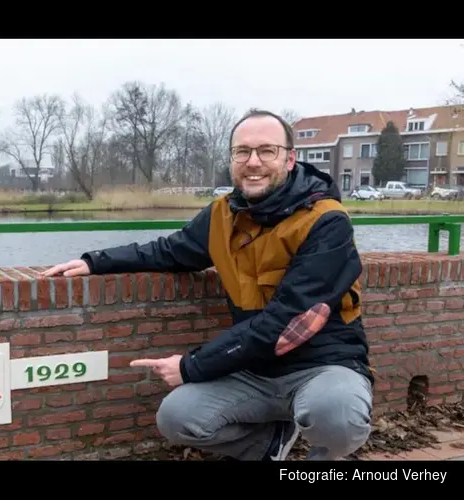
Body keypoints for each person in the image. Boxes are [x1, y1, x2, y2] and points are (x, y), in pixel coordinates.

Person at [42, 109, 373, 461]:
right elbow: (169, 251)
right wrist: (95, 261)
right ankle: (269, 445)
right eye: (242, 152)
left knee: (337, 416)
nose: (253, 162)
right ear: (232, 159)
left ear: (289, 159)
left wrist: (191, 366)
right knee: (177, 417)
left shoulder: (327, 221)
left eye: (267, 151)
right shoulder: (222, 214)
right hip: (256, 371)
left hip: (323, 366)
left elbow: (283, 321)